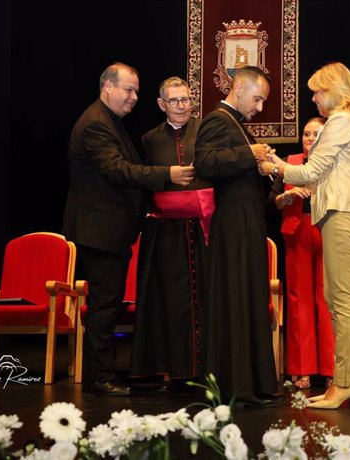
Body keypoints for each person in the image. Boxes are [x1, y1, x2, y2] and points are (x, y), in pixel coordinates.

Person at [62, 62, 195, 396]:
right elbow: (118, 170)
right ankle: (98, 377)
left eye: (136, 91)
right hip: (100, 230)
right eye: (128, 89)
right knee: (105, 306)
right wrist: (168, 174)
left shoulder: (110, 121)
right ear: (108, 86)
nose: (134, 97)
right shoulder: (96, 124)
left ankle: (102, 373)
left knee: (108, 304)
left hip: (108, 230)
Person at [259, 62, 350, 409]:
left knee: (341, 302)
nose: (313, 97)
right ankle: (342, 381)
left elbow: (311, 170)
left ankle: (345, 383)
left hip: (341, 212)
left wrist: (273, 164)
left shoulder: (341, 121)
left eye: (318, 91)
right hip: (340, 212)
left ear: (334, 90)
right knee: (337, 300)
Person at [194, 65, 282, 408]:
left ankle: (251, 384)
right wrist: (251, 154)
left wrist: (259, 164)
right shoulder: (218, 119)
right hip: (232, 224)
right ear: (240, 87)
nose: (259, 107)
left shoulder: (236, 124)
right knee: (235, 299)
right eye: (257, 98)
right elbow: (205, 163)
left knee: (248, 298)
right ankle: (235, 386)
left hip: (245, 221)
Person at [129, 77, 213, 387]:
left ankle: (206, 368)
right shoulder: (150, 139)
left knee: (205, 298)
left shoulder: (205, 130)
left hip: (203, 229)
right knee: (170, 301)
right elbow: (141, 179)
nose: (182, 106)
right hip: (165, 233)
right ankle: (172, 369)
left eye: (186, 100)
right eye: (175, 101)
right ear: (162, 104)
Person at [267, 117, 334, 391]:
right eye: (306, 134)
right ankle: (302, 369)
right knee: (298, 301)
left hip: (326, 230)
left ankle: (333, 370)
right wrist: (289, 195)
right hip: (296, 233)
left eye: (315, 134)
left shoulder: (333, 161)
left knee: (327, 300)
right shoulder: (289, 162)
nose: (309, 138)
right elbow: (272, 201)